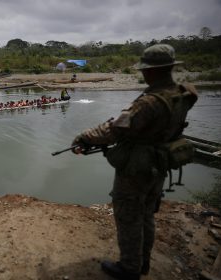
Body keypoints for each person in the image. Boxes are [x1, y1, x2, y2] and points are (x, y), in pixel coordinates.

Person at [71, 44, 197, 280]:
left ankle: (129, 268)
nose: (143, 74)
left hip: (137, 168)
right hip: (160, 163)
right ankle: (143, 263)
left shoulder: (149, 102)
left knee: (129, 215)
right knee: (147, 213)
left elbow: (113, 130)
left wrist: (84, 136)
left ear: (150, 71)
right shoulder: (183, 94)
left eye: (144, 70)